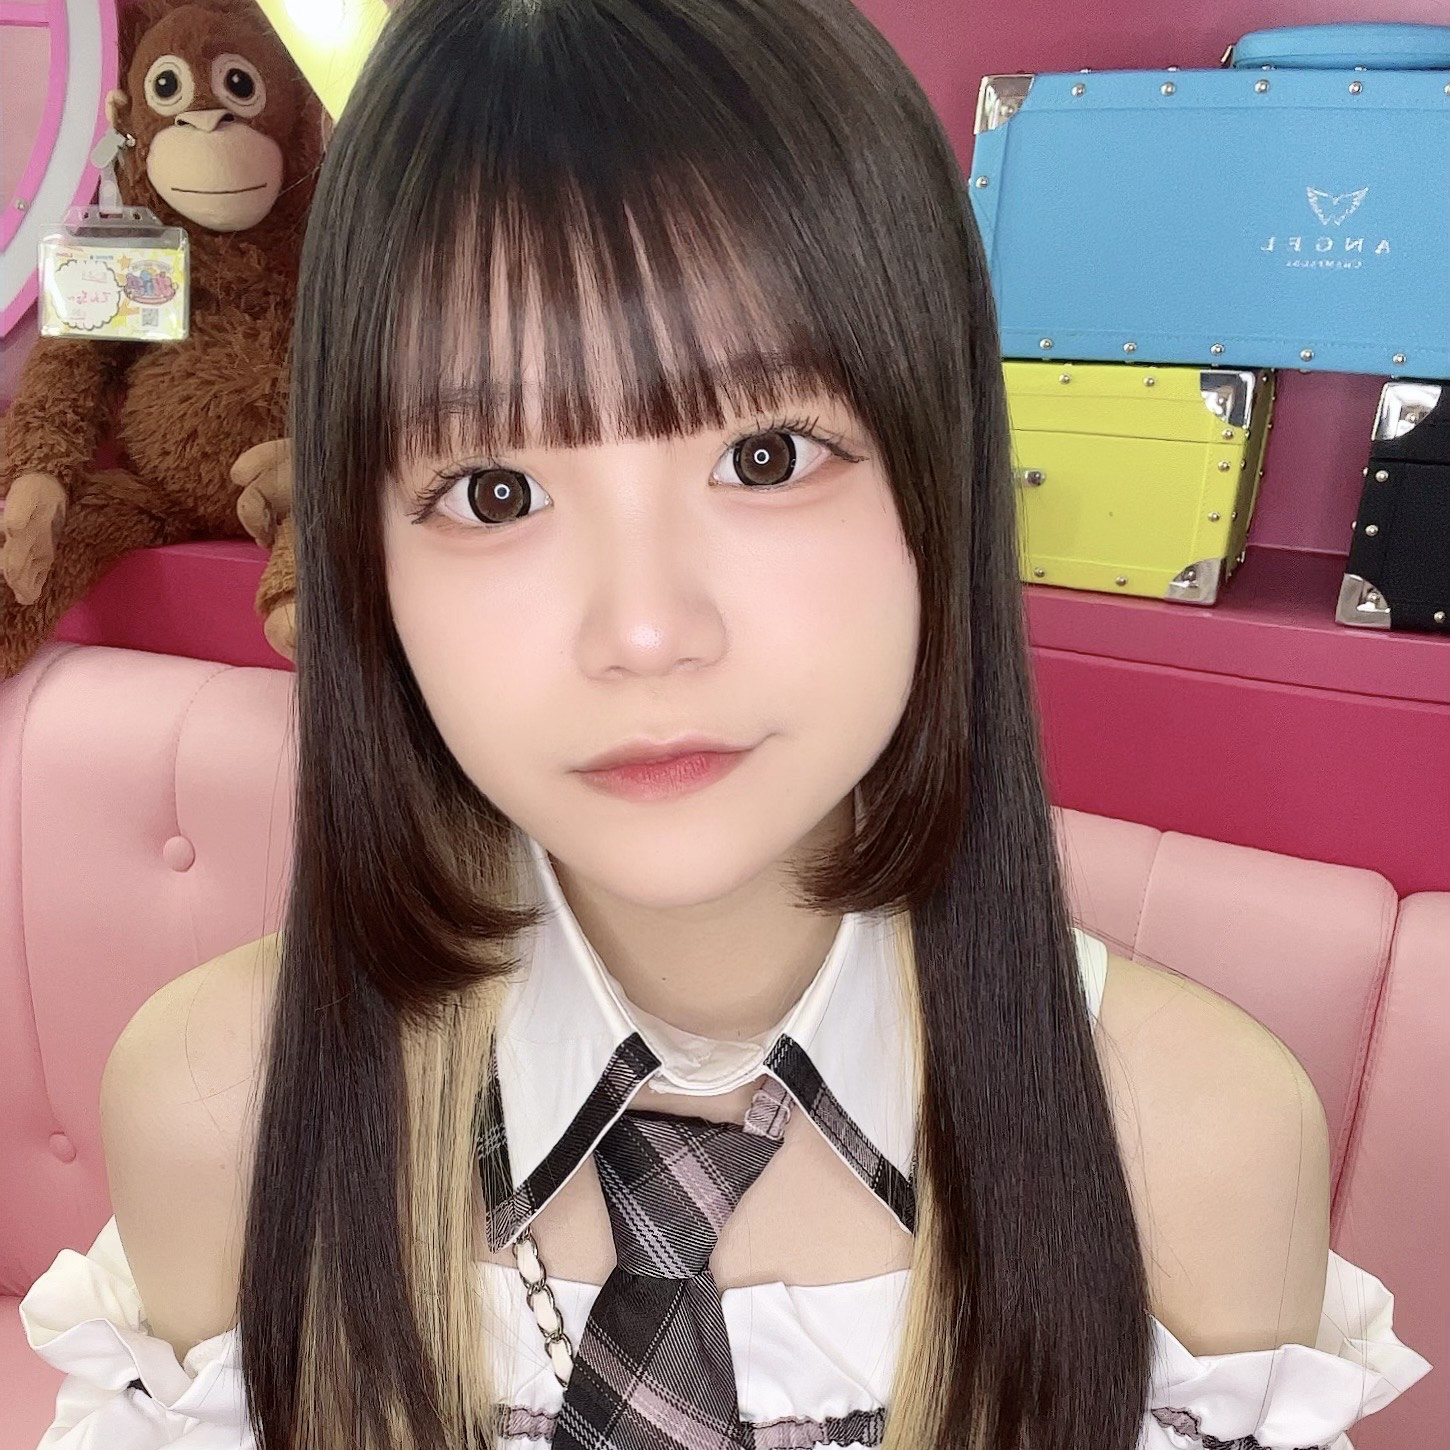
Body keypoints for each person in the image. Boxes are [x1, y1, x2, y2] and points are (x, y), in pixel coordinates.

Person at [19, 0, 1434, 1445]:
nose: (644, 631)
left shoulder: (1192, 1143)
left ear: (939, 483)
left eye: (765, 455)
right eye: (495, 492)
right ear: (361, 559)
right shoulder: (221, 1107)